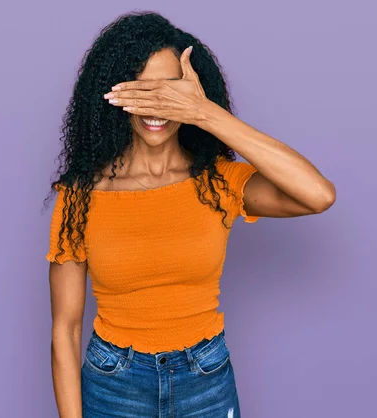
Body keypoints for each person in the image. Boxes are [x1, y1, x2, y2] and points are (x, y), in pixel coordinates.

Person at [45, 10, 336, 418]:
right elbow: (65, 329)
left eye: (171, 90)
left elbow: (318, 195)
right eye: (143, 89)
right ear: (116, 94)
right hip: (115, 385)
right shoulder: (80, 196)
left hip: (205, 379)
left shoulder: (217, 182)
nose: (158, 103)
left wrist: (205, 113)